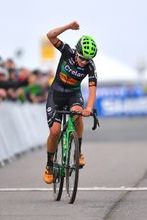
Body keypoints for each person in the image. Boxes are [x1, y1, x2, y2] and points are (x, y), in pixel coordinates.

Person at [43, 21, 98, 184]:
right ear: (76, 52)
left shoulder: (90, 65)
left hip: (73, 95)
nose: (84, 62)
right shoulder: (67, 51)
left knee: (77, 115)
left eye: (87, 60)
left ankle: (78, 151)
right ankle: (49, 164)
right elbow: (50, 35)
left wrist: (89, 107)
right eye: (82, 58)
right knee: (54, 131)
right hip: (56, 95)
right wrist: (68, 27)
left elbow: (93, 86)